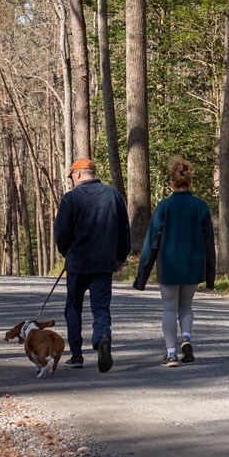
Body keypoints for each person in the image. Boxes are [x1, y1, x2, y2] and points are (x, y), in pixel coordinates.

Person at [133, 155, 216, 367]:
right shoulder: (201, 207)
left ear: (172, 183)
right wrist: (210, 274)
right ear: (190, 182)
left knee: (169, 308)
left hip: (168, 265)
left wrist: (142, 276)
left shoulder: (164, 207)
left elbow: (152, 241)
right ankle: (186, 338)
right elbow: (209, 241)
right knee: (186, 305)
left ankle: (171, 354)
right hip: (193, 265)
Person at [54, 158, 130, 373]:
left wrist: (66, 253)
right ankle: (103, 337)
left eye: (72, 177)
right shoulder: (113, 195)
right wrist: (120, 257)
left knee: (73, 307)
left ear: (77, 174)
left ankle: (76, 354)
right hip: (104, 263)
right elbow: (124, 230)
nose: (72, 181)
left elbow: (61, 234)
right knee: (101, 307)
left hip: (78, 264)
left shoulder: (70, 199)